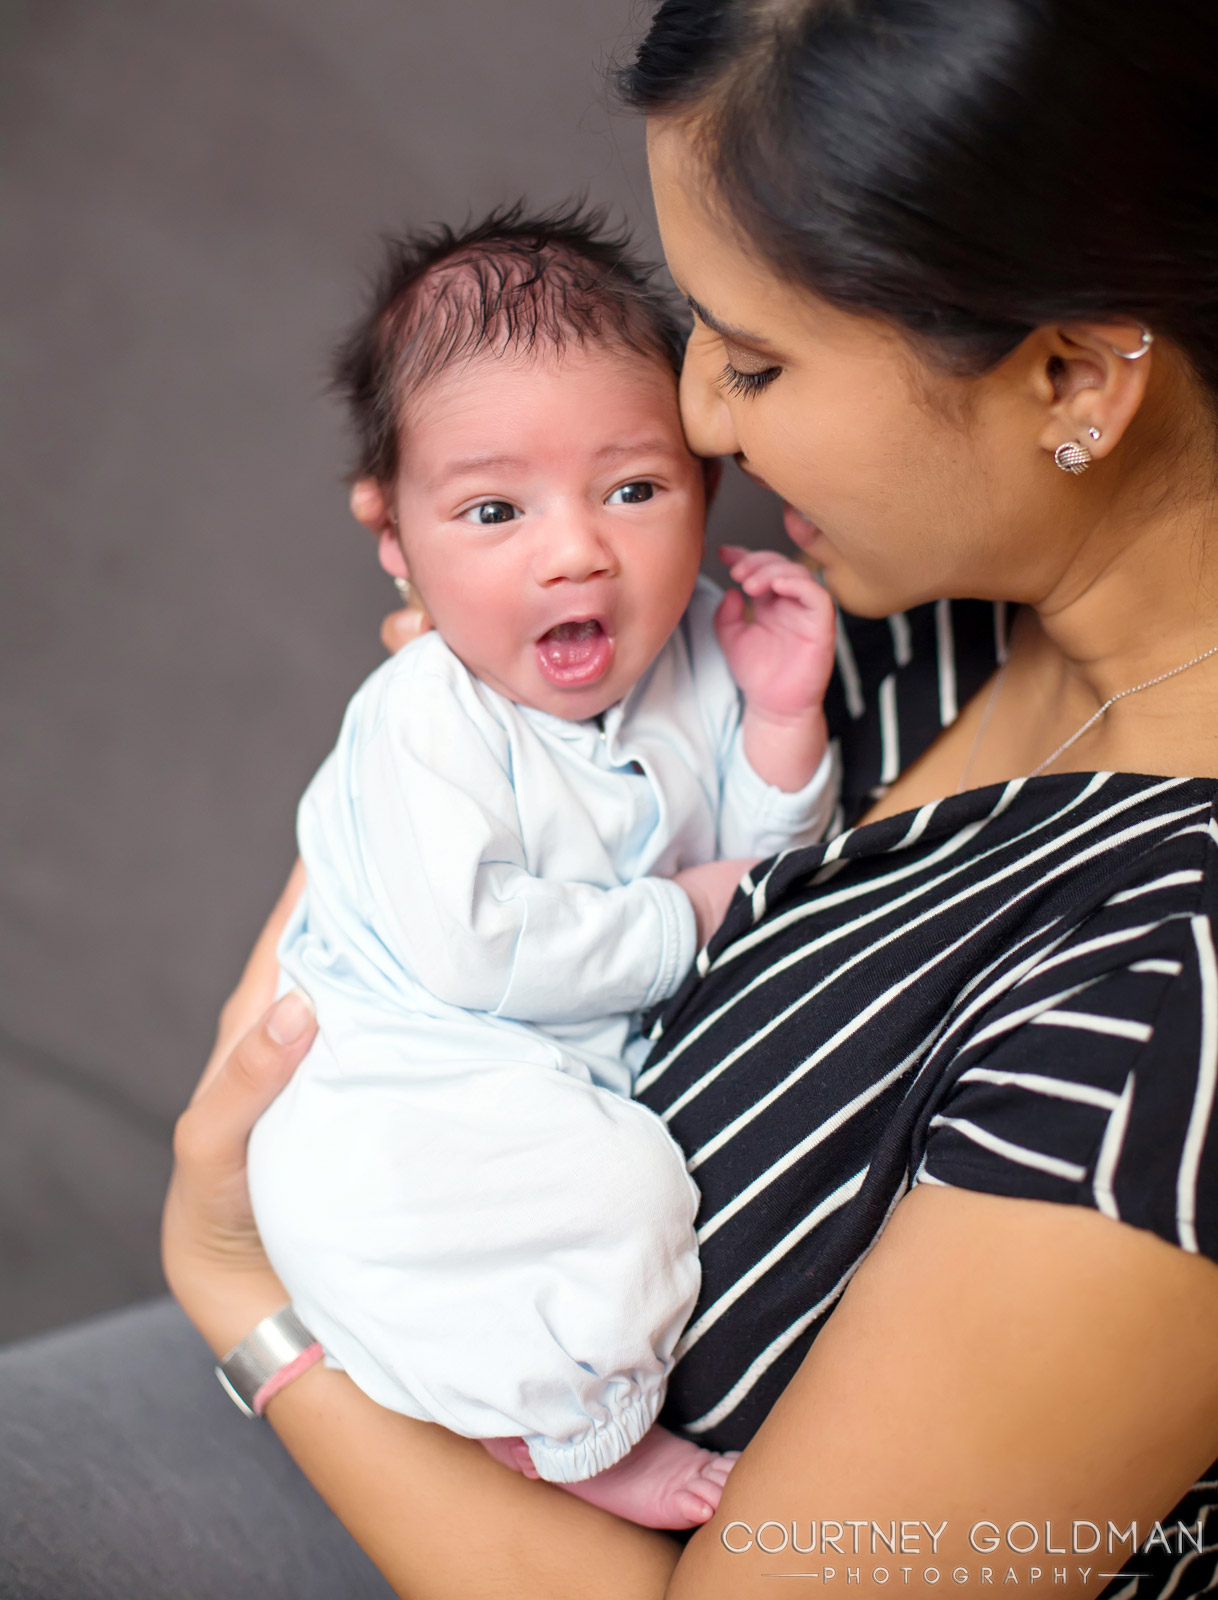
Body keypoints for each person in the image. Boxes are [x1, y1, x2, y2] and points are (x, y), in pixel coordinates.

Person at [3, 0, 1217, 1595]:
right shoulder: (905, 591)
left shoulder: (1168, 1006)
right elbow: (396, 906)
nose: (696, 420)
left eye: (758, 358)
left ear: (1066, 376)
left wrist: (240, 1292)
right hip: (394, 1298)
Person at [247, 207, 838, 1529]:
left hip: (547, 1085)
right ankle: (565, 1434)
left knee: (623, 1193)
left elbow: (765, 883)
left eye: (632, 490)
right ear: (392, 537)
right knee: (616, 1194)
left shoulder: (696, 655)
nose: (574, 550)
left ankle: (533, 1411)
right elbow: (478, 949)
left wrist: (785, 720)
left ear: (703, 485)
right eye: (493, 509)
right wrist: (677, 915)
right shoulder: (420, 719)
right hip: (398, 1093)